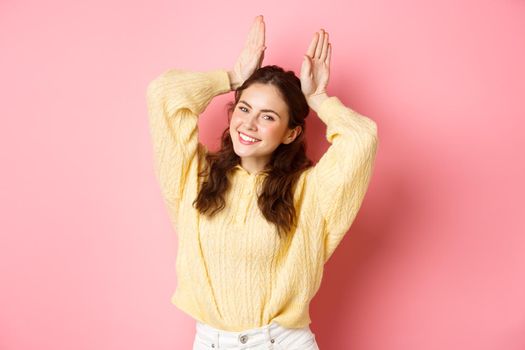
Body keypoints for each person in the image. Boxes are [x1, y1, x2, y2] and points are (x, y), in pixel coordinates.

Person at [146, 15, 378, 350]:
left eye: (267, 116)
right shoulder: (194, 176)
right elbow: (163, 94)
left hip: (280, 343)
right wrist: (232, 77)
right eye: (244, 108)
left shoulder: (308, 192)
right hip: (210, 342)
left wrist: (319, 99)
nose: (249, 124)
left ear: (291, 132)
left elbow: (362, 138)